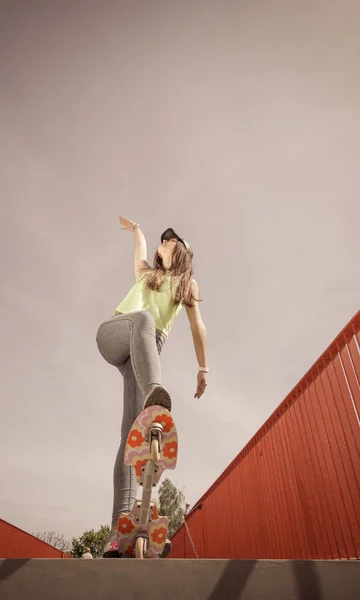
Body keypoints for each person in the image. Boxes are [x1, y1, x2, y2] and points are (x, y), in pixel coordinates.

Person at [96, 217, 208, 558]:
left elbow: (197, 326)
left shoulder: (187, 286)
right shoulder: (147, 274)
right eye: (162, 240)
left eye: (170, 241)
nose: (164, 243)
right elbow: (140, 250)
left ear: (182, 253)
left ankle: (118, 531)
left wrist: (203, 367)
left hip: (145, 354)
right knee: (143, 319)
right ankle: (153, 396)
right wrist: (136, 231)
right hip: (117, 333)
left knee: (129, 437)